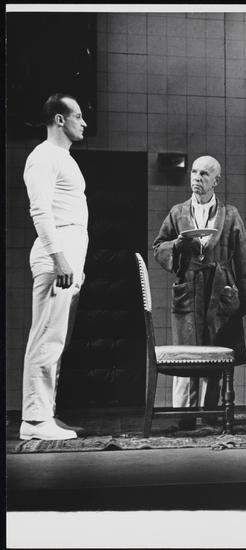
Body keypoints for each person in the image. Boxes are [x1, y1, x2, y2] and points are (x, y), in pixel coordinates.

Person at [153, 156, 246, 427]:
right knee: (186, 355)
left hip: (220, 289)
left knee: (216, 353)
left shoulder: (230, 214)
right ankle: (184, 418)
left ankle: (211, 416)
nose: (197, 178)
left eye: (204, 174)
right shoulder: (177, 212)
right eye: (194, 172)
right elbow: (159, 247)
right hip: (188, 288)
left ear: (216, 181)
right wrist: (177, 245)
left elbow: (243, 257)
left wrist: (243, 295)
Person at [20, 93, 89, 440]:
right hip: (55, 254)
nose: (84, 122)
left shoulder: (64, 158)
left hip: (68, 254)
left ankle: (45, 414)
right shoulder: (43, 156)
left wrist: (74, 263)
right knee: (46, 337)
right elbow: (40, 211)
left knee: (56, 339)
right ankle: (34, 421)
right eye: (77, 116)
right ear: (59, 120)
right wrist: (60, 258)